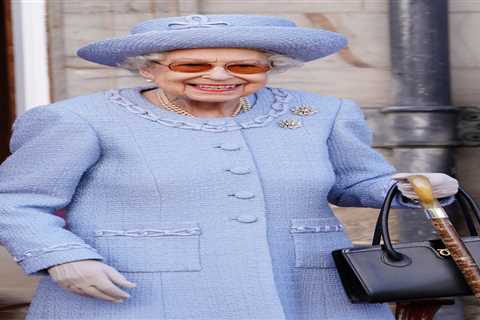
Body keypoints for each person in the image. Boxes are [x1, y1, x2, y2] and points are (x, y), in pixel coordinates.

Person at [0, 14, 458, 320]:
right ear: (147, 69)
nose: (220, 75)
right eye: (192, 63)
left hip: (307, 293)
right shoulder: (78, 120)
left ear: (270, 68)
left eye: (244, 64)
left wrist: (411, 187)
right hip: (136, 297)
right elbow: (18, 201)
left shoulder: (323, 112)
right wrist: (63, 258)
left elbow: (356, 181)